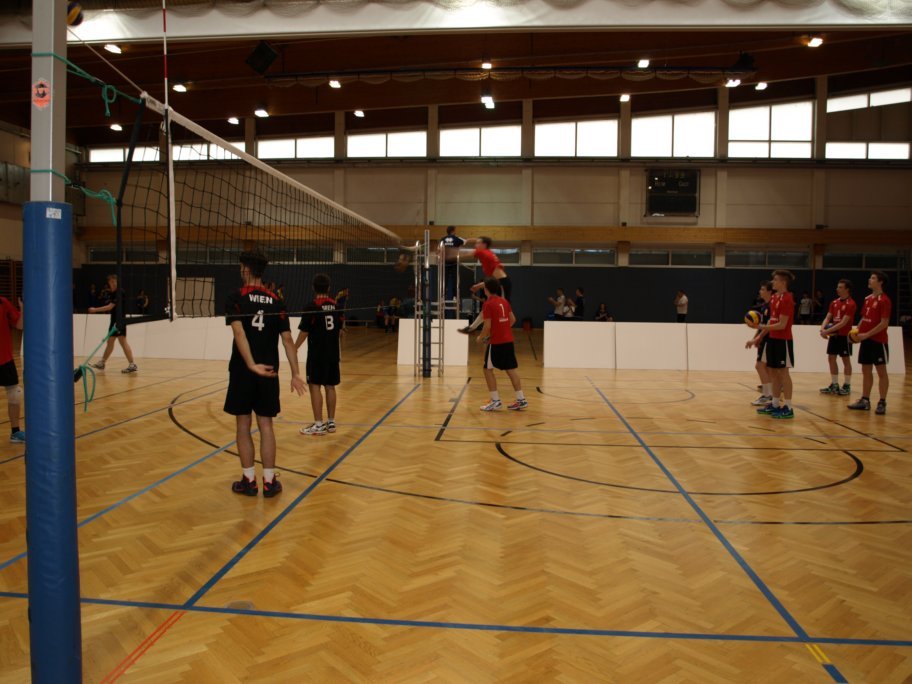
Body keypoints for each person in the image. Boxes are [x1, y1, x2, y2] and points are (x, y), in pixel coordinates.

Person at [224, 250, 305, 497]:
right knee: (266, 424)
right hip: (269, 371)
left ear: (247, 269)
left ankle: (249, 481)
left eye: (241, 267)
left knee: (243, 424)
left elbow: (239, 333)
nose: (240, 271)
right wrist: (296, 373)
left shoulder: (236, 296)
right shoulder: (277, 300)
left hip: (243, 370)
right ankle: (269, 482)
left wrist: (250, 364)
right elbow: (288, 340)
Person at [296, 274, 343, 436]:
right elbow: (340, 329)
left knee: (314, 385)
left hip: (317, 354)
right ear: (328, 288)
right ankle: (331, 422)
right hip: (333, 354)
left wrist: (294, 348)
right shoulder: (337, 306)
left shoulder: (312, 306)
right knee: (330, 386)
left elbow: (304, 331)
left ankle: (318, 424)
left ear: (313, 287)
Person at [476, 276, 527, 412]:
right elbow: (513, 320)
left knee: (487, 369)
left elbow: (487, 326)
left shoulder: (488, 304)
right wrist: (502, 330)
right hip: (508, 341)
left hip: (497, 342)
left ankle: (495, 401)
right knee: (511, 370)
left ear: (486, 289)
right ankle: (521, 399)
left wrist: (480, 337)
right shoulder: (504, 302)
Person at [848, 271, 892, 415]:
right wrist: (856, 332)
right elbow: (864, 318)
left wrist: (866, 335)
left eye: (873, 278)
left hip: (878, 341)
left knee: (881, 372)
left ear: (880, 282)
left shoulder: (884, 300)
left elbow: (884, 323)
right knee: (866, 370)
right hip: (865, 341)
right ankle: (865, 400)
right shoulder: (867, 299)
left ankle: (882, 402)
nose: (869, 280)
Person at [755, 270, 796, 419]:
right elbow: (772, 321)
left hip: (783, 340)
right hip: (772, 339)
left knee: (783, 373)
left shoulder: (787, 299)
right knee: (773, 372)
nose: (773, 282)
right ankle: (775, 403)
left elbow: (782, 324)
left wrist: (761, 327)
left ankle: (789, 407)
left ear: (783, 282)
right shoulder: (774, 298)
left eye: (776, 280)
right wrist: (760, 336)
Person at [455, 237, 512, 334]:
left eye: (478, 243)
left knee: (504, 309)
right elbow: (492, 279)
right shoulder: (487, 254)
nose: (475, 245)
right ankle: (471, 328)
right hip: (497, 282)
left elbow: (463, 253)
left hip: (502, 284)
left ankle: (502, 330)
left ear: (484, 245)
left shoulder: (483, 252)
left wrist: (447, 252)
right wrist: (479, 285)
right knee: (487, 307)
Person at [89, 274, 139, 373]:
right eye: (110, 282)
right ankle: (102, 363)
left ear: (117, 282)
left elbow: (110, 307)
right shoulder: (113, 293)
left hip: (119, 321)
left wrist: (95, 310)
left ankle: (132, 364)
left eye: (113, 282)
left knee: (122, 341)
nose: (112, 284)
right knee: (110, 342)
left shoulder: (119, 292)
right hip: (114, 320)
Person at [818, 279, 856, 396]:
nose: (837, 289)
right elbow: (828, 317)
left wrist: (827, 331)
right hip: (834, 335)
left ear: (847, 289)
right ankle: (834, 384)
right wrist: (822, 329)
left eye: (840, 287)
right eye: (837, 287)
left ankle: (847, 385)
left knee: (845, 360)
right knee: (831, 358)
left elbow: (843, 323)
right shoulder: (834, 302)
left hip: (845, 336)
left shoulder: (851, 304)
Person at [745, 281, 774, 406]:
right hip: (764, 339)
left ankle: (768, 395)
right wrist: (755, 339)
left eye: (762, 289)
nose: (760, 291)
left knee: (760, 366)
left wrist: (757, 339)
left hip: (769, 339)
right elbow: (761, 326)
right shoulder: (764, 306)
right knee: (765, 367)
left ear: (769, 291)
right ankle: (769, 394)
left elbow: (768, 326)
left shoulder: (772, 305)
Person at [1, 296, 24, 443]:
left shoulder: (3, 302)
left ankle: (15, 432)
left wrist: (23, 309)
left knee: (15, 395)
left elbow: (19, 326)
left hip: (4, 358)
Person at [439, 226, 465, 316]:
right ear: (453, 231)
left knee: (444, 280)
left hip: (445, 263)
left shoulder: (442, 239)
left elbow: (439, 249)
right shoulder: (456, 238)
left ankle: (442, 296)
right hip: (453, 262)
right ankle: (455, 296)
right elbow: (463, 242)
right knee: (455, 280)